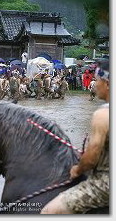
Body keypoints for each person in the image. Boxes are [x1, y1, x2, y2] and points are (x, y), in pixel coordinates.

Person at [41, 59, 109, 214]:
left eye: (97, 80)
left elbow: (92, 157)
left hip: (106, 183)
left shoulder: (103, 114)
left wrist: (78, 170)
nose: (94, 84)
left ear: (107, 83)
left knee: (49, 211)